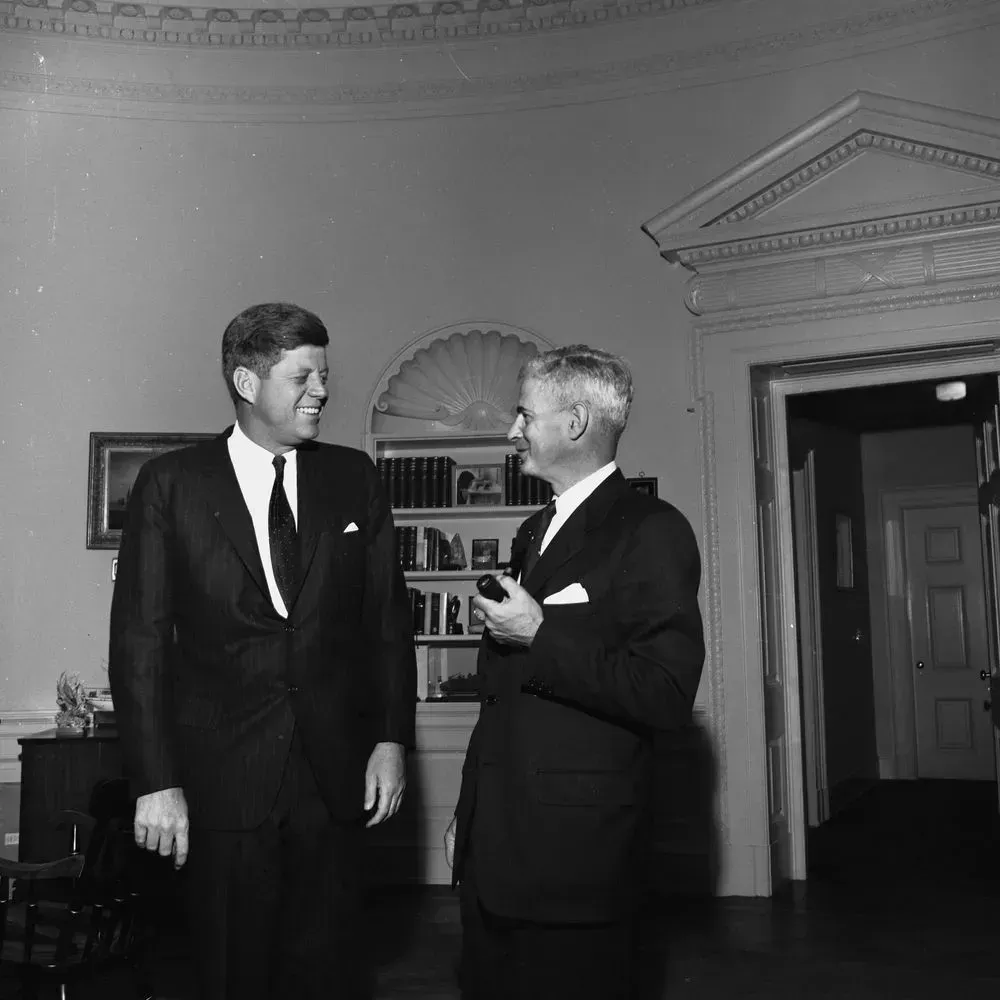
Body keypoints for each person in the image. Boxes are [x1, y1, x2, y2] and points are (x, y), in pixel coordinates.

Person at [108, 302, 416, 1000]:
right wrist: (156, 781)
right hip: (220, 782)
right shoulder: (172, 485)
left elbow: (387, 624)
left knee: (328, 973)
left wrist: (391, 740)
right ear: (247, 383)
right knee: (229, 971)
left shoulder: (354, 478)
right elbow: (140, 643)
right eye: (302, 377)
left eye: (324, 375)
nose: (321, 391)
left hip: (334, 780)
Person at [445, 344, 705, 1000]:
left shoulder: (651, 529)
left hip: (577, 862)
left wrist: (539, 633)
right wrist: (469, 815)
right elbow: (503, 700)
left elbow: (665, 693)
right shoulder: (534, 530)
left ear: (576, 422)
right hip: (496, 851)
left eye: (525, 415)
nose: (512, 431)